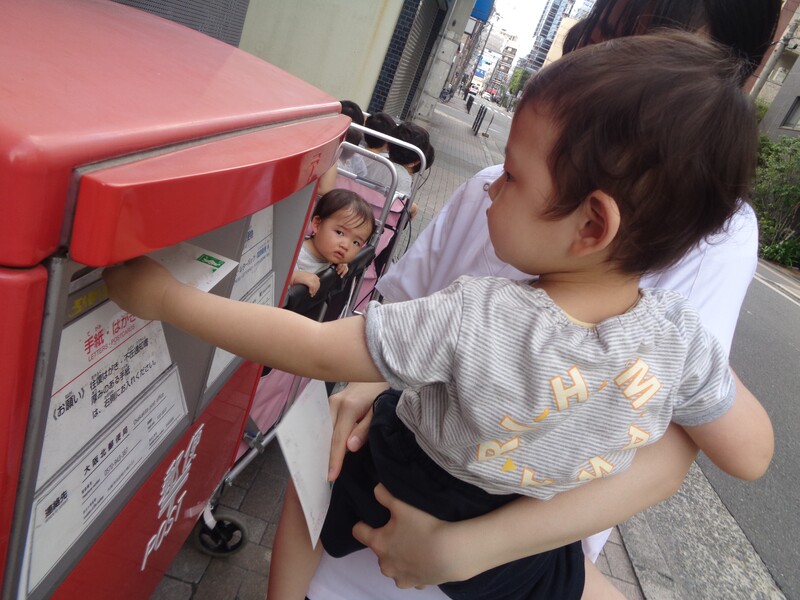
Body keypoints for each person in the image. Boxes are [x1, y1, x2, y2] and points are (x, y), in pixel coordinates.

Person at [103, 32, 774, 600]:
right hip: (520, 550)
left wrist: (168, 299)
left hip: (404, 485)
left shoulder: (480, 317)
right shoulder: (681, 340)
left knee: (319, 481)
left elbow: (313, 347)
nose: (491, 191)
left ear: (592, 224)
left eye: (512, 176)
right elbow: (750, 455)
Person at [307, 1, 782, 598]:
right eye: (608, 40)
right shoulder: (491, 191)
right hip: (370, 515)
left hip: (511, 559)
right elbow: (393, 322)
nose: (613, 71)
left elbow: (676, 447)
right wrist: (366, 381)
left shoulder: (713, 238)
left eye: (656, 51)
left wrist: (467, 549)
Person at [290, 189, 374, 297]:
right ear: (317, 224)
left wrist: (338, 262)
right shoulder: (294, 256)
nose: (346, 246)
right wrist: (293, 278)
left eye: (356, 242)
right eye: (339, 233)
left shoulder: (328, 256)